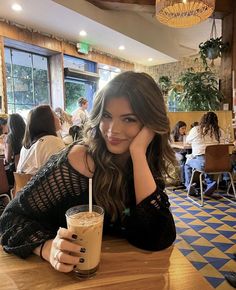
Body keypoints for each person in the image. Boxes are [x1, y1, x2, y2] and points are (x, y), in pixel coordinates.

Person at [0, 71, 176, 273]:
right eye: (107, 116)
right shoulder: (78, 159)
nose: (112, 130)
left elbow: (157, 237)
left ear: (150, 126)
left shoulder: (144, 159)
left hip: (120, 276)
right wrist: (47, 248)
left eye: (129, 119)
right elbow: (10, 219)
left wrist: (138, 153)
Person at [16, 105, 65, 175]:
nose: (58, 117)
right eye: (55, 114)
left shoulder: (25, 146)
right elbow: (61, 173)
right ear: (48, 120)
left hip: (23, 185)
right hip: (43, 185)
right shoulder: (52, 141)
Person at [184, 112, 225, 196]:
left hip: (203, 162)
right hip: (218, 163)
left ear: (202, 120)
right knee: (207, 162)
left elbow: (187, 141)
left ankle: (189, 185)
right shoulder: (220, 131)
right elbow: (224, 143)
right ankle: (210, 183)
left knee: (187, 163)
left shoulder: (196, 129)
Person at [4, 113, 26, 185]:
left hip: (17, 171)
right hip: (28, 169)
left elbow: (8, 159)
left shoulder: (10, 137)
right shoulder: (27, 133)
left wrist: (5, 147)